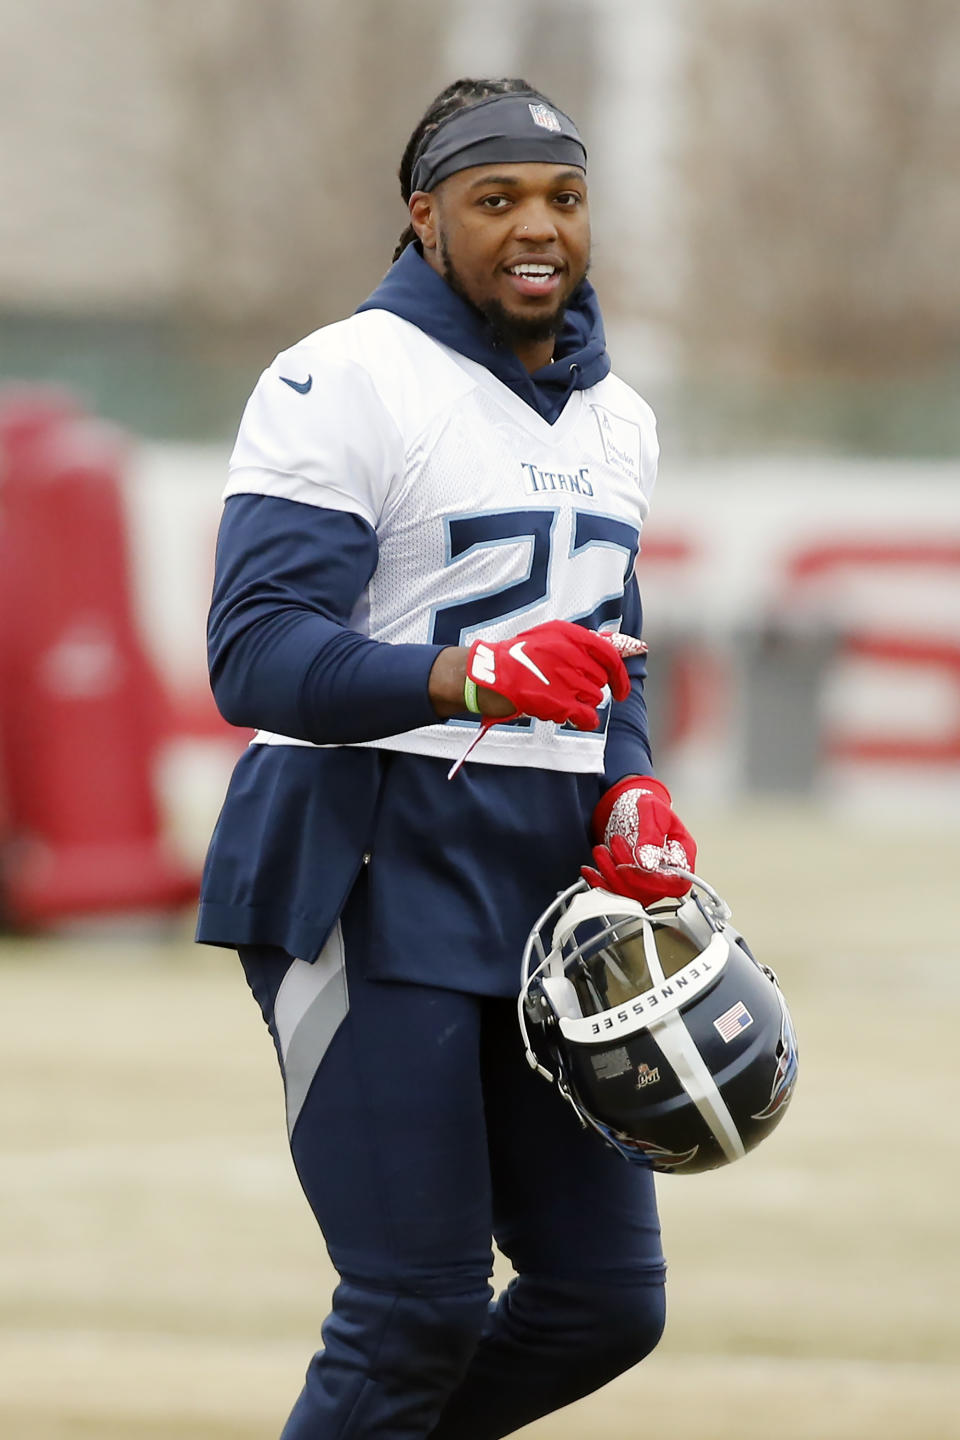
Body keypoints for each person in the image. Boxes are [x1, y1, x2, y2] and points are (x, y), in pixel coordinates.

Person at [198, 76, 697, 1440]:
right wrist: (465, 672)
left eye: (563, 198)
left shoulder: (619, 417)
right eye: (497, 200)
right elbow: (254, 655)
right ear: (425, 219)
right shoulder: (339, 376)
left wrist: (634, 784)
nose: (537, 228)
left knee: (604, 1299)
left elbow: (611, 655)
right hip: (360, 859)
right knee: (412, 1306)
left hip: (542, 897)